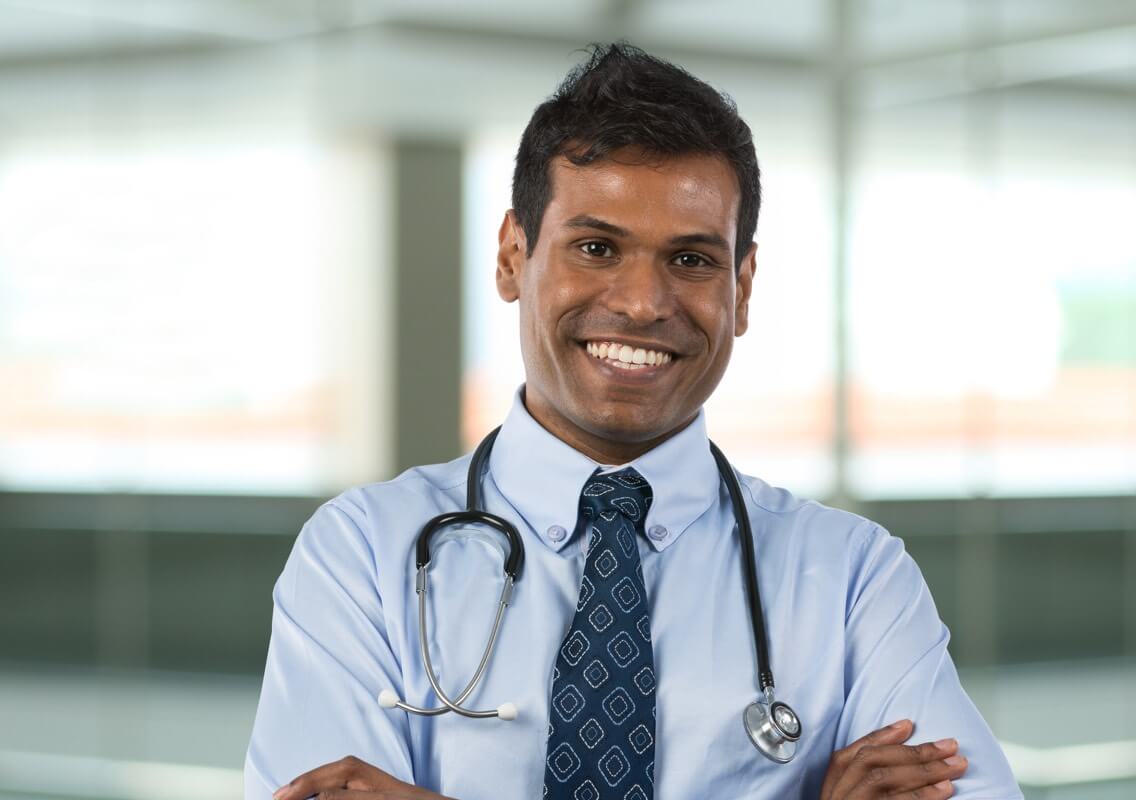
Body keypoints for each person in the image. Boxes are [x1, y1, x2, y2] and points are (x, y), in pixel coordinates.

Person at [245, 43, 1022, 800]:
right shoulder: (362, 556)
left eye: (691, 260)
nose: (644, 303)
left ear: (743, 286)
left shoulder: (854, 577)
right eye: (596, 247)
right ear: (514, 255)